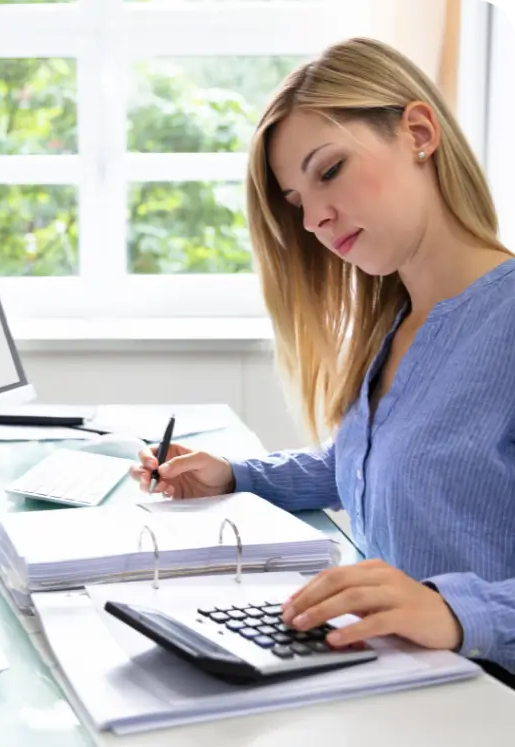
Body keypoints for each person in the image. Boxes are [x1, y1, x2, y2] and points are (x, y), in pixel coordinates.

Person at [129, 36, 515, 689]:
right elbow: (377, 463)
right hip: (398, 678)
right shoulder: (396, 322)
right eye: (296, 202)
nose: (313, 219)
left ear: (419, 133)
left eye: (329, 170)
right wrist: (235, 476)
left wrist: (455, 612)